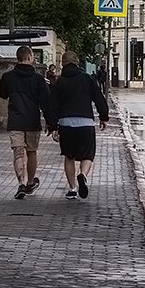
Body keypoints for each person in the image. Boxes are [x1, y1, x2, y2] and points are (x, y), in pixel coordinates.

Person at [46, 49, 109, 200]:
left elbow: (53, 106)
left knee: (69, 157)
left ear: (63, 63)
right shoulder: (87, 79)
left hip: (66, 124)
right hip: (86, 123)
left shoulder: (59, 82)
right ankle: (83, 175)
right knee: (88, 155)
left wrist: (53, 126)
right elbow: (98, 98)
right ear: (77, 62)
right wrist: (103, 116)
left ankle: (73, 188)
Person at [0, 46, 51, 200]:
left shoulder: (8, 76)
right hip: (32, 120)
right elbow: (46, 101)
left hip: (16, 119)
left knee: (18, 151)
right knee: (32, 151)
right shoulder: (38, 78)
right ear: (29, 57)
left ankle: (20, 182)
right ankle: (30, 182)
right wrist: (50, 121)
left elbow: (2, 93)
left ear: (18, 57)